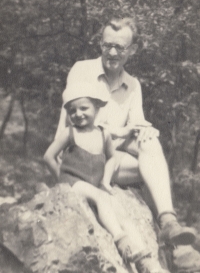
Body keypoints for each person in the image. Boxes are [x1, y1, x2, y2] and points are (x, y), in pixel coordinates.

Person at [55, 17, 196, 247]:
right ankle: (177, 249)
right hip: (79, 161)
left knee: (150, 144)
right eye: (106, 45)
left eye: (119, 47)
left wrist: (146, 131)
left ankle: (168, 223)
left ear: (132, 50)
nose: (111, 52)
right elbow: (81, 127)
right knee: (148, 158)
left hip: (108, 161)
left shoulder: (133, 85)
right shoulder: (82, 70)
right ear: (100, 43)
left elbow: (136, 127)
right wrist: (125, 130)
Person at [44, 82, 168, 273]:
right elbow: (49, 156)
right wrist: (62, 181)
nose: (78, 114)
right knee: (101, 198)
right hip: (74, 182)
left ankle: (144, 259)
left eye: (84, 108)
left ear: (97, 107)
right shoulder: (69, 133)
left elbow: (111, 158)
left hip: (95, 184)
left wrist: (105, 180)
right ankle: (121, 241)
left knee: (120, 210)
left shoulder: (103, 134)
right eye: (72, 111)